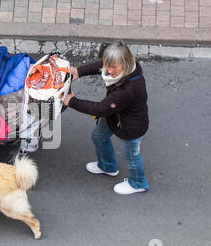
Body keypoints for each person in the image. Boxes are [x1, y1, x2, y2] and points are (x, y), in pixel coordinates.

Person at [61, 42, 149, 195]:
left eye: (114, 67)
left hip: (130, 127)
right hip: (115, 117)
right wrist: (79, 71)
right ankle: (108, 166)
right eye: (109, 65)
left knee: (132, 157)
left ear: (125, 62)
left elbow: (101, 108)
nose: (109, 70)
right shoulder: (125, 67)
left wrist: (72, 101)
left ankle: (138, 183)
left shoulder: (128, 90)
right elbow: (101, 65)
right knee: (98, 136)